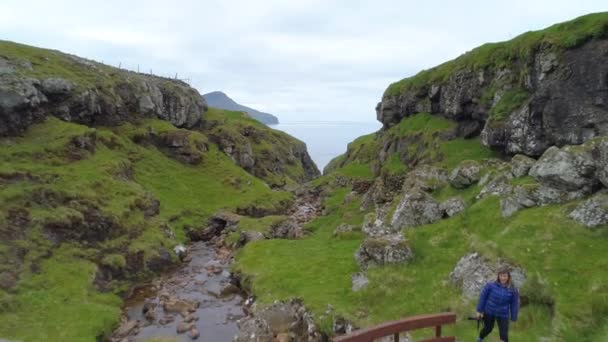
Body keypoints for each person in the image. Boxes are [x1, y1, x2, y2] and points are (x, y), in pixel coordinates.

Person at [475, 267, 519, 342]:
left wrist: (514, 317)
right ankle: (480, 338)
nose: (503, 278)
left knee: (504, 335)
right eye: (501, 276)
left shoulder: (513, 290)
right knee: (488, 328)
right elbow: (483, 297)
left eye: (505, 276)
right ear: (498, 276)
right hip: (489, 311)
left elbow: (514, 304)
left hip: (503, 314)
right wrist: (480, 310)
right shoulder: (490, 286)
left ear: (508, 277)